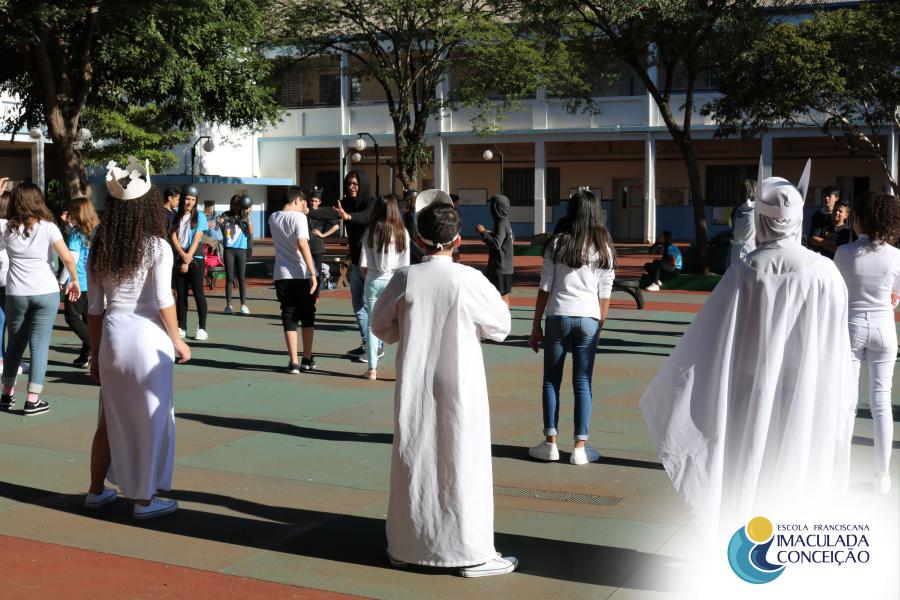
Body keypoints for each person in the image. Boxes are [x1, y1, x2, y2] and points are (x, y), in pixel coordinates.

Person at [640, 160, 855, 538]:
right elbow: (836, 344)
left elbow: (713, 337)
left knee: (748, 466)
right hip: (803, 392)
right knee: (794, 466)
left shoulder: (745, 270)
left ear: (762, 219)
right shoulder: (823, 273)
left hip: (747, 388)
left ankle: (746, 546)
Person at [371, 198, 517, 577]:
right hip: (461, 378)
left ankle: (407, 544)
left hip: (417, 375)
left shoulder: (406, 278)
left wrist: (408, 329)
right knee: (462, 459)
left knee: (414, 456)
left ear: (418, 240)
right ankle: (471, 552)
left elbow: (380, 325)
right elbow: (501, 326)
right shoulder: (468, 279)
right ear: (458, 240)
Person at [84, 157, 191, 519]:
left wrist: (95, 353)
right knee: (150, 421)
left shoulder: (100, 242)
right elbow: (164, 300)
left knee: (108, 421)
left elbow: (94, 308)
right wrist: (177, 340)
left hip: (113, 339)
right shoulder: (156, 247)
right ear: (148, 204)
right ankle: (144, 501)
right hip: (148, 341)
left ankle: (96, 491)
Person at [528, 190, 615, 465]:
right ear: (596, 212)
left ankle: (550, 443)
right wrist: (598, 323)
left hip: (558, 316)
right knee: (583, 383)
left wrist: (535, 325)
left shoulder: (557, 244)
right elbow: (606, 290)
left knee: (551, 381)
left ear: (571, 211)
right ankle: (580, 447)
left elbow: (545, 287)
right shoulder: (603, 247)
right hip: (588, 318)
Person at [834, 192, 900, 495]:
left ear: (860, 219)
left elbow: (838, 293)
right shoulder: (896, 256)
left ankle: (838, 474)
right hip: (885, 331)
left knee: (846, 405)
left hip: (851, 327)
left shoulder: (844, 253)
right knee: (881, 405)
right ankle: (882, 476)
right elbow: (896, 296)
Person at [0, 182, 80, 415]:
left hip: (16, 293)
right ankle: (33, 400)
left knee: (14, 345)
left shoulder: (6, 228)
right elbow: (67, 258)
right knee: (40, 346)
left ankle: (7, 395)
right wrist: (74, 280)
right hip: (45, 292)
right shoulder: (48, 227)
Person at [360, 194, 410, 380]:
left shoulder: (371, 230)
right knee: (403, 324)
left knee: (373, 325)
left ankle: (372, 368)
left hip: (373, 279)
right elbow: (405, 265)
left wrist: (370, 279)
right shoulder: (402, 232)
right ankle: (403, 369)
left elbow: (363, 263)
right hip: (395, 281)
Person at [269, 188, 319, 373]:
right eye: (304, 202)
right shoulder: (299, 218)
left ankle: (293, 362)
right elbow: (303, 244)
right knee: (307, 316)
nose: (305, 206)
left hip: (282, 274)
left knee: (288, 315)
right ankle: (306, 357)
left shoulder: (273, 217)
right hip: (302, 273)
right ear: (298, 200)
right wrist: (313, 273)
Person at [336, 171, 382, 361]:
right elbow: (329, 213)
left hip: (371, 264)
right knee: (358, 306)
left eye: (355, 184)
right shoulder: (344, 202)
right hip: (356, 262)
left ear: (362, 184)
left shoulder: (372, 202)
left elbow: (365, 217)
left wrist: (348, 217)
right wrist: (307, 211)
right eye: (349, 184)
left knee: (371, 306)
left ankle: (377, 346)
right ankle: (367, 343)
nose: (352, 187)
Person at [58, 195, 100, 368]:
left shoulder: (77, 233)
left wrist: (61, 281)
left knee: (72, 317)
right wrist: (66, 224)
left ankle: (93, 345)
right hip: (92, 282)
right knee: (87, 318)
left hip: (77, 283)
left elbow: (71, 260)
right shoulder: (96, 229)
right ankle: (86, 355)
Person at [169, 184, 209, 340]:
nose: (189, 202)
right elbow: (172, 236)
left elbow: (197, 238)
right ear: (182, 199)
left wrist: (187, 258)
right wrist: (181, 254)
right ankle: (182, 326)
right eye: (187, 199)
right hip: (179, 257)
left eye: (193, 199)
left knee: (198, 294)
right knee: (181, 295)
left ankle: (202, 328)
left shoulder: (200, 217)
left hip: (195, 259)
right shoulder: (174, 216)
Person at [215, 194, 253, 314]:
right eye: (233, 203)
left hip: (241, 249)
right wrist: (219, 221)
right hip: (229, 249)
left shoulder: (244, 216)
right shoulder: (225, 214)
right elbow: (218, 227)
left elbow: (250, 231)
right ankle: (229, 305)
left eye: (238, 203)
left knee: (241, 277)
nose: (235, 205)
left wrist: (249, 216)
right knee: (229, 277)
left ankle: (243, 305)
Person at [476, 194, 514, 306]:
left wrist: (483, 233)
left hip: (499, 268)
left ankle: (502, 320)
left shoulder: (500, 223)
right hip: (505, 267)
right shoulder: (505, 221)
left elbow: (496, 244)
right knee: (503, 296)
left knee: (500, 297)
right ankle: (504, 319)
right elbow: (503, 238)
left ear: (496, 208)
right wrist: (490, 233)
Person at [306, 187, 340, 296]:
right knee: (304, 271)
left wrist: (323, 234)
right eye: (311, 200)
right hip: (305, 246)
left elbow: (336, 226)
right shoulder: (305, 212)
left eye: (315, 201)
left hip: (317, 247)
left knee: (317, 271)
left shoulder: (323, 213)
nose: (313, 203)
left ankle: (316, 294)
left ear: (319, 202)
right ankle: (306, 292)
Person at [726, 179, 756, 269]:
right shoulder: (757, 209)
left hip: (734, 253)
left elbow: (731, 228)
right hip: (751, 253)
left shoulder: (736, 210)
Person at [808, 185, 840, 254]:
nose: (826, 198)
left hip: (838, 256)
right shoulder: (818, 215)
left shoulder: (841, 215)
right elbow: (813, 239)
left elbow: (842, 242)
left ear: (836, 198)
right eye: (824, 196)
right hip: (820, 256)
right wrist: (831, 243)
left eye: (829, 196)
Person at [401, 189, 423, 265]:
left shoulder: (409, 214)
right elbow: (415, 230)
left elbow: (413, 229)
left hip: (411, 243)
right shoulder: (413, 214)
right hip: (414, 244)